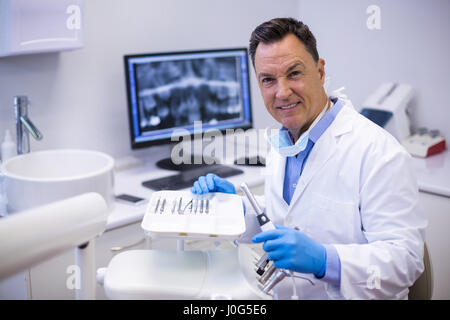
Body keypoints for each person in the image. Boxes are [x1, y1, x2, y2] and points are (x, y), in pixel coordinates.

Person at [191, 18, 427, 299]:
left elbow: (406, 261)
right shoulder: (286, 139)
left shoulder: (379, 153)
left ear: (320, 71)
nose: (282, 92)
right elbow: (293, 219)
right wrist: (239, 210)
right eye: (268, 80)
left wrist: (324, 260)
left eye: (294, 73)